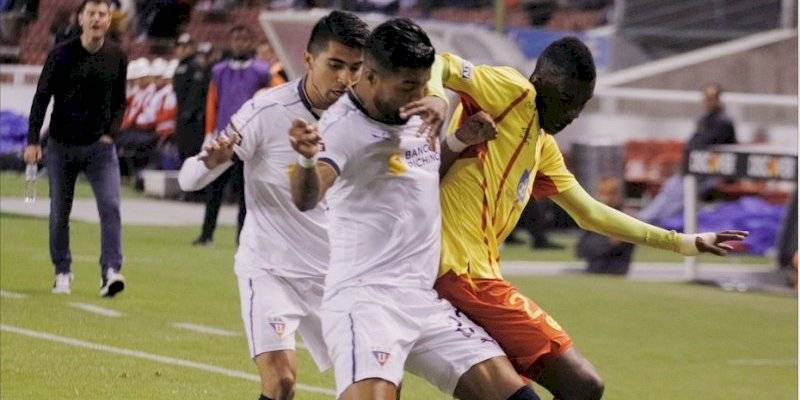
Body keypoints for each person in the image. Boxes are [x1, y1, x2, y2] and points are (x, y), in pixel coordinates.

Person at [422, 40, 749, 400]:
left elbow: (590, 213)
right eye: (567, 99)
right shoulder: (513, 91)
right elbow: (442, 63)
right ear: (541, 80)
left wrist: (681, 242)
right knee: (583, 384)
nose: (572, 114)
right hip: (461, 275)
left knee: (514, 395)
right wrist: (437, 96)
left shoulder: (542, 148)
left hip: (477, 275)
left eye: (580, 105)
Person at [289, 18, 541, 400]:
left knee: (517, 397)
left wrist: (457, 142)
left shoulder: (416, 111)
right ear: (370, 77)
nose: (421, 93)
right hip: (366, 300)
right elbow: (307, 197)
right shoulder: (341, 127)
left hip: (423, 300)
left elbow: (418, 178)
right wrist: (307, 162)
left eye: (424, 83)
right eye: (409, 85)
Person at [24, 0, 128, 297]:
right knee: (60, 211)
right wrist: (33, 140)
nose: (97, 19)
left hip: (99, 147)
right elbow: (41, 98)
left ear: (109, 20)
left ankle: (111, 271)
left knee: (110, 206)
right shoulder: (61, 54)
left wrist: (111, 133)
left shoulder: (117, 56)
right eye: (92, 14)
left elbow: (120, 100)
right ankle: (62, 270)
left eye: (103, 14)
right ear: (80, 18)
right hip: (60, 145)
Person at [193, 24, 270, 246]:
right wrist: (209, 132)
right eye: (235, 39)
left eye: (244, 39)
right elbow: (212, 103)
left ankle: (241, 238)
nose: (239, 44)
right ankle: (206, 234)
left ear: (252, 43)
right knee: (214, 189)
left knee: (245, 193)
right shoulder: (219, 71)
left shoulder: (262, 72)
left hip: (249, 141)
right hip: (222, 139)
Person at [638, 83, 737, 225]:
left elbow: (718, 150)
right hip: (693, 170)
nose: (707, 101)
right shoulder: (703, 120)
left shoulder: (724, 123)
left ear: (718, 99)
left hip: (710, 173)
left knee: (679, 192)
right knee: (670, 187)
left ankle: (652, 220)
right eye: (706, 98)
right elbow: (694, 144)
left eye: (711, 98)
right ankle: (647, 218)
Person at [575, 177, 634, 275]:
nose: (606, 198)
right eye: (602, 193)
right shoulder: (593, 217)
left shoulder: (626, 219)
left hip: (614, 272)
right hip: (592, 270)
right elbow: (580, 250)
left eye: (610, 193)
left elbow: (614, 248)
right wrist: (608, 243)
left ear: (617, 195)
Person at [172, 33, 210, 163]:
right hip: (181, 115)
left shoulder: (196, 67)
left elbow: (197, 93)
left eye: (185, 46)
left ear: (193, 47)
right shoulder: (179, 67)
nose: (182, 49)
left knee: (192, 153)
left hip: (193, 118)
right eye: (180, 46)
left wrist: (190, 112)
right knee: (182, 151)